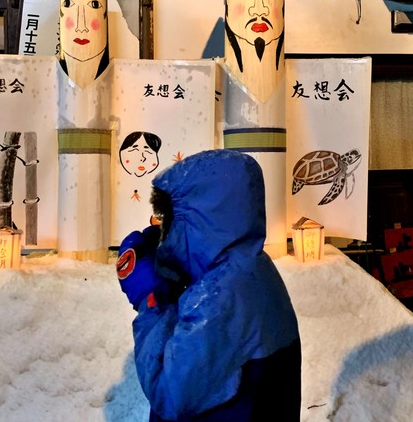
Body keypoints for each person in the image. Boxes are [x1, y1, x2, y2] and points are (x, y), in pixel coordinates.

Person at [116, 149, 302, 421]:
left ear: (194, 220)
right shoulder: (250, 267)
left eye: (168, 219)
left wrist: (150, 299)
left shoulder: (220, 296)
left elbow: (170, 395)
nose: (163, 229)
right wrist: (173, 271)